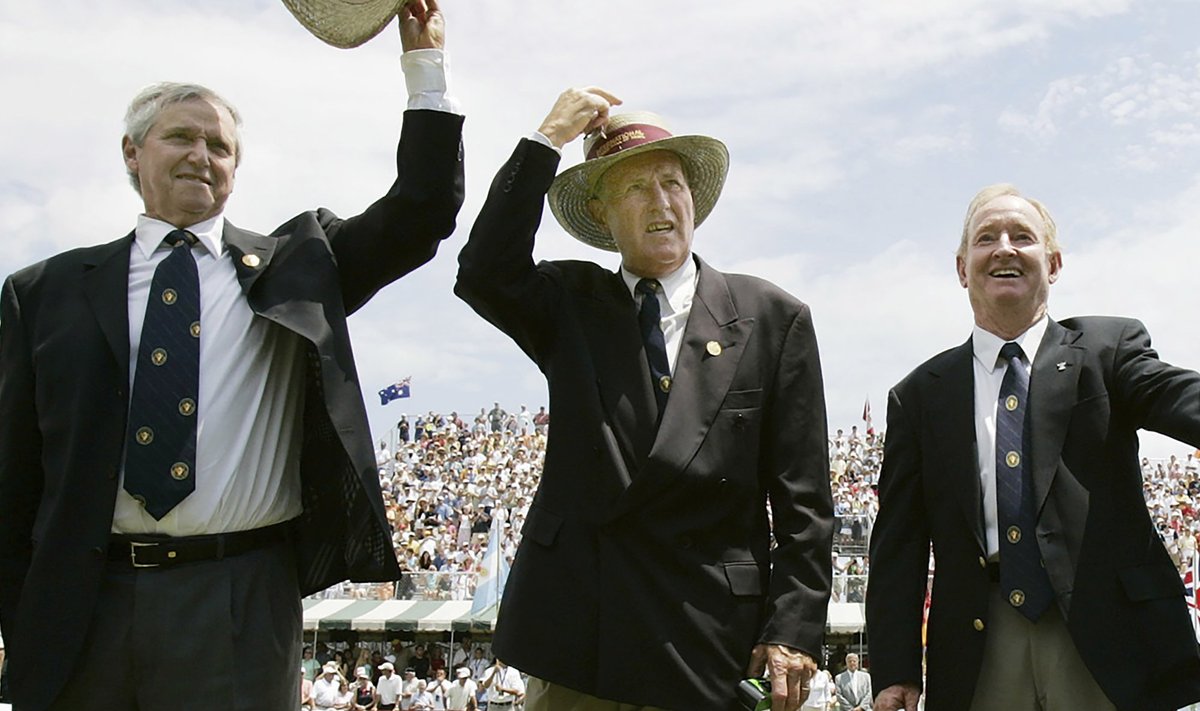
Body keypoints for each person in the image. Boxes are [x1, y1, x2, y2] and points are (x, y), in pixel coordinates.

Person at [0, 4, 465, 710]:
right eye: (180, 137)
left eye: (219, 146)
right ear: (132, 153)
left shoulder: (298, 265)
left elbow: (423, 208)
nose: (202, 155)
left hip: (239, 595)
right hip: (84, 598)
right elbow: (12, 480)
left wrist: (424, 68)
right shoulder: (44, 291)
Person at [455, 87, 833, 710]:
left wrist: (791, 630)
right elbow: (484, 270)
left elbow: (805, 503)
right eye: (636, 189)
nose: (661, 203)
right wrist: (544, 141)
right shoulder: (569, 303)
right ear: (602, 215)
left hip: (711, 640)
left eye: (672, 183)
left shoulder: (772, 317)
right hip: (582, 640)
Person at [866, 184, 1200, 710]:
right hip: (979, 647)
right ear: (961, 268)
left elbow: (1179, 397)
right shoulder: (919, 396)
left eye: (1023, 236)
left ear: (1054, 263)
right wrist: (895, 669)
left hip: (1103, 634)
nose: (1004, 247)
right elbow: (898, 548)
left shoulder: (1107, 352)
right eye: (986, 238)